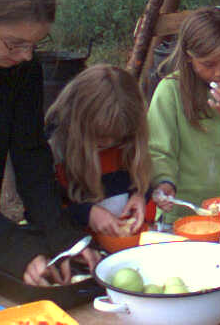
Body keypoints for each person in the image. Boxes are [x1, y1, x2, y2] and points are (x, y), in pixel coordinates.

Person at [0, 0, 100, 286]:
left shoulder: (21, 69)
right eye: (15, 43)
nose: (27, 55)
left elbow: (31, 158)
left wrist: (63, 237)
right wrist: (15, 248)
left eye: (34, 44)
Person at [148, 6, 220, 223]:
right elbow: (158, 150)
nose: (219, 72)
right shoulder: (170, 92)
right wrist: (164, 182)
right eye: (208, 64)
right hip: (180, 214)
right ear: (188, 57)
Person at [46, 65, 152, 237]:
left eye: (117, 138)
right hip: (74, 243)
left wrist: (140, 195)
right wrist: (87, 214)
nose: (109, 143)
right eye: (100, 136)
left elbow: (142, 179)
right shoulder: (55, 152)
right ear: (79, 120)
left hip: (119, 243)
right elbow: (45, 210)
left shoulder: (127, 142)